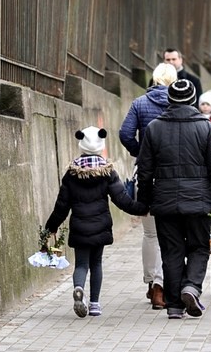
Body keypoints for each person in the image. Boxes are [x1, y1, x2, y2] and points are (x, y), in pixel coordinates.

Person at [136, 80, 211, 319]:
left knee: (171, 251)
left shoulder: (154, 128)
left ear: (170, 100)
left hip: (164, 201)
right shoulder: (207, 129)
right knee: (198, 247)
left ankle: (174, 305)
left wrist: (143, 202)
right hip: (198, 201)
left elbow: (145, 170)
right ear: (193, 100)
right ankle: (191, 287)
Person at [45, 127, 148, 318]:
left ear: (81, 144)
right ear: (101, 144)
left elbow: (62, 205)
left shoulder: (71, 174)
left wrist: (51, 227)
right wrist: (142, 209)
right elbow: (121, 199)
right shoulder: (107, 172)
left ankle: (78, 288)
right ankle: (94, 304)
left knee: (81, 265)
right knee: (97, 264)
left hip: (79, 226)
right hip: (100, 226)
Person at [118, 63, 178, 310]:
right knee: (172, 234)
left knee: (150, 233)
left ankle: (151, 282)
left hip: (147, 175)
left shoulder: (140, 103)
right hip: (174, 174)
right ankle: (161, 287)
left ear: (154, 79)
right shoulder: (180, 103)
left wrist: (141, 154)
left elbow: (125, 134)